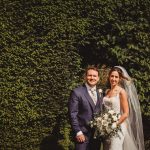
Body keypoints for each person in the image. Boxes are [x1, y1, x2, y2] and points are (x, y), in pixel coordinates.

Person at [103, 66, 145, 150]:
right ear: (109, 76)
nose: (113, 79)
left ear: (120, 79)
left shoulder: (121, 92)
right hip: (106, 127)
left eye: (116, 77)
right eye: (112, 76)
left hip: (118, 126)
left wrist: (115, 125)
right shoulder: (107, 91)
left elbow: (126, 113)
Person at [68, 66, 103, 150]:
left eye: (94, 76)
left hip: (96, 135)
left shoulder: (101, 92)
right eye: (89, 75)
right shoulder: (77, 92)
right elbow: (72, 114)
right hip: (82, 135)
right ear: (85, 77)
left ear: (98, 78)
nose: (92, 78)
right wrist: (78, 132)